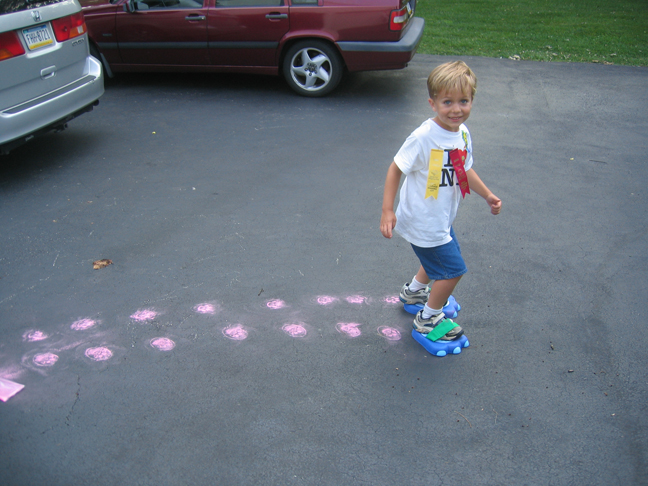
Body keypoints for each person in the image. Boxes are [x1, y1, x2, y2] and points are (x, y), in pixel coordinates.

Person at [380, 60, 502, 341]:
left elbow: (464, 169)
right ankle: (428, 318)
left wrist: (487, 195)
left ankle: (414, 293)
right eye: (447, 102)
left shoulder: (462, 133)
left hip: (440, 218)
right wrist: (387, 210)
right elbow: (396, 168)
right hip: (424, 220)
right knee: (452, 271)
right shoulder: (424, 137)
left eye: (463, 101)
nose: (456, 109)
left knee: (437, 260)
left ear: (472, 100)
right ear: (432, 103)